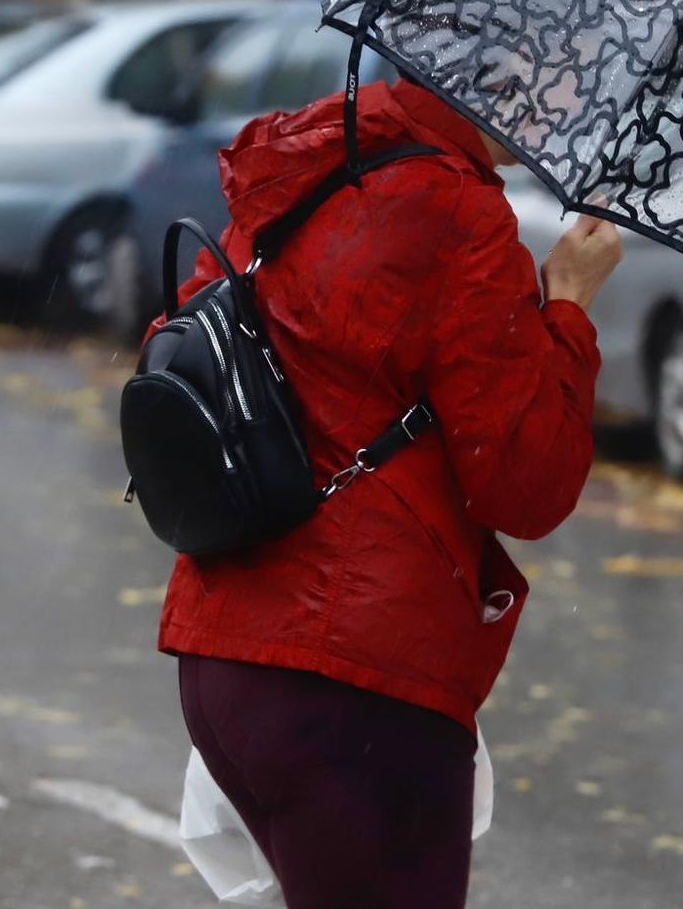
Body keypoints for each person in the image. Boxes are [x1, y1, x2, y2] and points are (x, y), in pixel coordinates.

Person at [157, 74, 623, 909]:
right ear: (504, 70)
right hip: (355, 679)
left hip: (230, 653)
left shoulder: (312, 163)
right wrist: (570, 308)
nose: (574, 104)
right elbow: (527, 482)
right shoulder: (455, 213)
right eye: (570, 74)